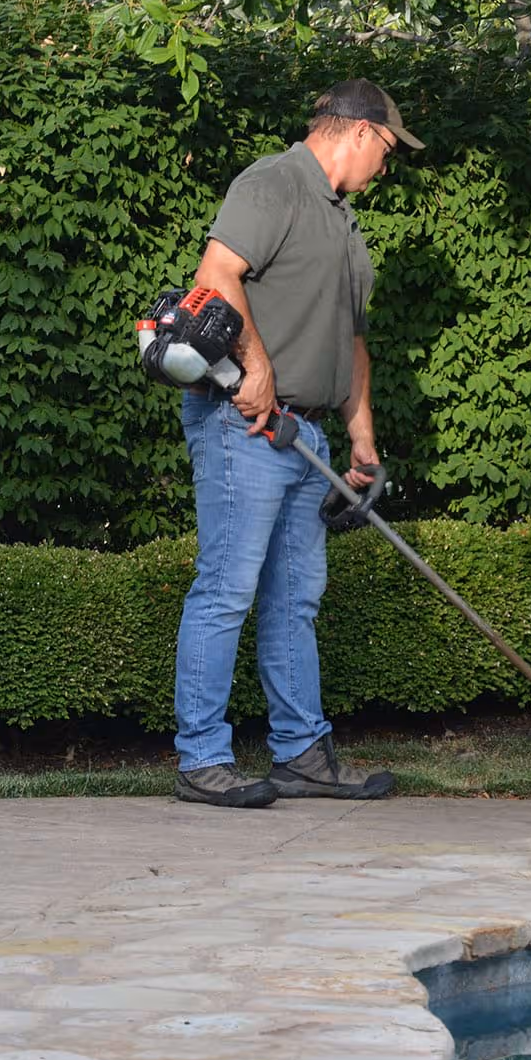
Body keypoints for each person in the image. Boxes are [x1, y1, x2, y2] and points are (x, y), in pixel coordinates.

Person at [172, 78, 425, 808]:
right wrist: (255, 367)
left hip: (308, 432)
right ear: (360, 132)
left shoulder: (345, 223)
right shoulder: (275, 182)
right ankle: (201, 759)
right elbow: (215, 276)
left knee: (295, 600)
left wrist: (363, 439)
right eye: (387, 150)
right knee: (227, 590)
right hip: (247, 424)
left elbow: (352, 340)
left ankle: (302, 755)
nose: (386, 166)